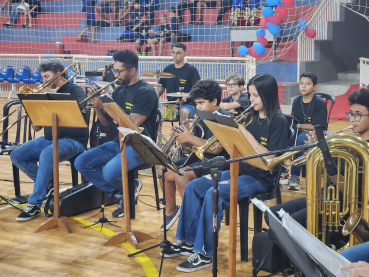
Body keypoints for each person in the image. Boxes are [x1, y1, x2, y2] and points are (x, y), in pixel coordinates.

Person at [162, 73, 289, 272]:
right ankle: (187, 242)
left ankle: (205, 253)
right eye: (250, 95)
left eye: (255, 96)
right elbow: (233, 149)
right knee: (194, 186)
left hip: (261, 177)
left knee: (214, 193)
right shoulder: (250, 116)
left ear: (268, 95)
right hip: (239, 169)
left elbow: (270, 160)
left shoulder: (279, 122)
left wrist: (241, 132)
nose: (251, 100)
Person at [267, 87, 369, 249]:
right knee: (272, 214)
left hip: (340, 207)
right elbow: (323, 176)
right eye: (350, 114)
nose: (352, 120)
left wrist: (326, 160)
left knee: (286, 222)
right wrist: (314, 154)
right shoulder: (348, 142)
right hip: (324, 198)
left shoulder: (364, 151)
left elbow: (352, 193)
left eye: (358, 115)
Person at [74, 49, 158, 218]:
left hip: (139, 144)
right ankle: (123, 193)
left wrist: (105, 104)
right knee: (81, 162)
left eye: (118, 71)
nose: (115, 74)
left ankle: (126, 190)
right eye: (114, 70)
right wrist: (98, 107)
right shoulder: (119, 90)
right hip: (119, 141)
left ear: (132, 71)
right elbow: (106, 122)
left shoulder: (146, 91)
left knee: (109, 173)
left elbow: (131, 124)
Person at [10, 59, 89, 221]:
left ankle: (35, 203)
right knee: (17, 154)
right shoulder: (44, 93)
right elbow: (36, 128)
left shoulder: (75, 90)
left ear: (58, 75)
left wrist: (55, 97)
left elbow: (81, 115)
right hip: (49, 138)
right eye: (43, 77)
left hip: (74, 140)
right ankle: (49, 185)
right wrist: (37, 104)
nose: (43, 81)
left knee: (47, 153)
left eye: (46, 77)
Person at [159, 79, 230, 231]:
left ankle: (194, 223)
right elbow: (191, 150)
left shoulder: (224, 118)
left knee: (182, 175)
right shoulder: (202, 116)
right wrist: (183, 138)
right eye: (196, 103)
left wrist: (190, 138)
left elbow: (216, 149)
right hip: (200, 158)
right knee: (163, 170)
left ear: (214, 101)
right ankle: (171, 212)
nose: (197, 107)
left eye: (201, 103)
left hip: (218, 163)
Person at [288, 72, 327, 191]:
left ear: (315, 87)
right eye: (301, 83)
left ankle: (295, 176)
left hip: (316, 132)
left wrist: (299, 126)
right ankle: (282, 172)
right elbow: (293, 121)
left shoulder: (318, 102)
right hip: (300, 129)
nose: (303, 86)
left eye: (308, 84)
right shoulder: (296, 101)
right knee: (281, 136)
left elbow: (316, 126)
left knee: (300, 140)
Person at [158, 43, 201, 125]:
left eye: (178, 53)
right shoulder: (167, 69)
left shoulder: (191, 70)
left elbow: (197, 90)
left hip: (188, 105)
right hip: (171, 105)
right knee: (155, 112)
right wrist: (151, 97)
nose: (175, 55)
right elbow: (161, 89)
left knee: (183, 112)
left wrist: (186, 96)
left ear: (185, 54)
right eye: (173, 52)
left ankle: (186, 136)